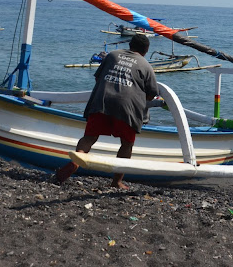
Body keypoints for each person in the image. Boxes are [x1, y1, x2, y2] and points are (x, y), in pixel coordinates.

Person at [55, 34, 158, 189]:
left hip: (101, 101)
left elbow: (98, 78)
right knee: (127, 144)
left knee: (89, 137)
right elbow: (151, 95)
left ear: (130, 45)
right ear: (146, 50)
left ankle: (76, 161)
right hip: (127, 107)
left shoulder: (112, 55)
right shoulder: (146, 65)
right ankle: (116, 181)